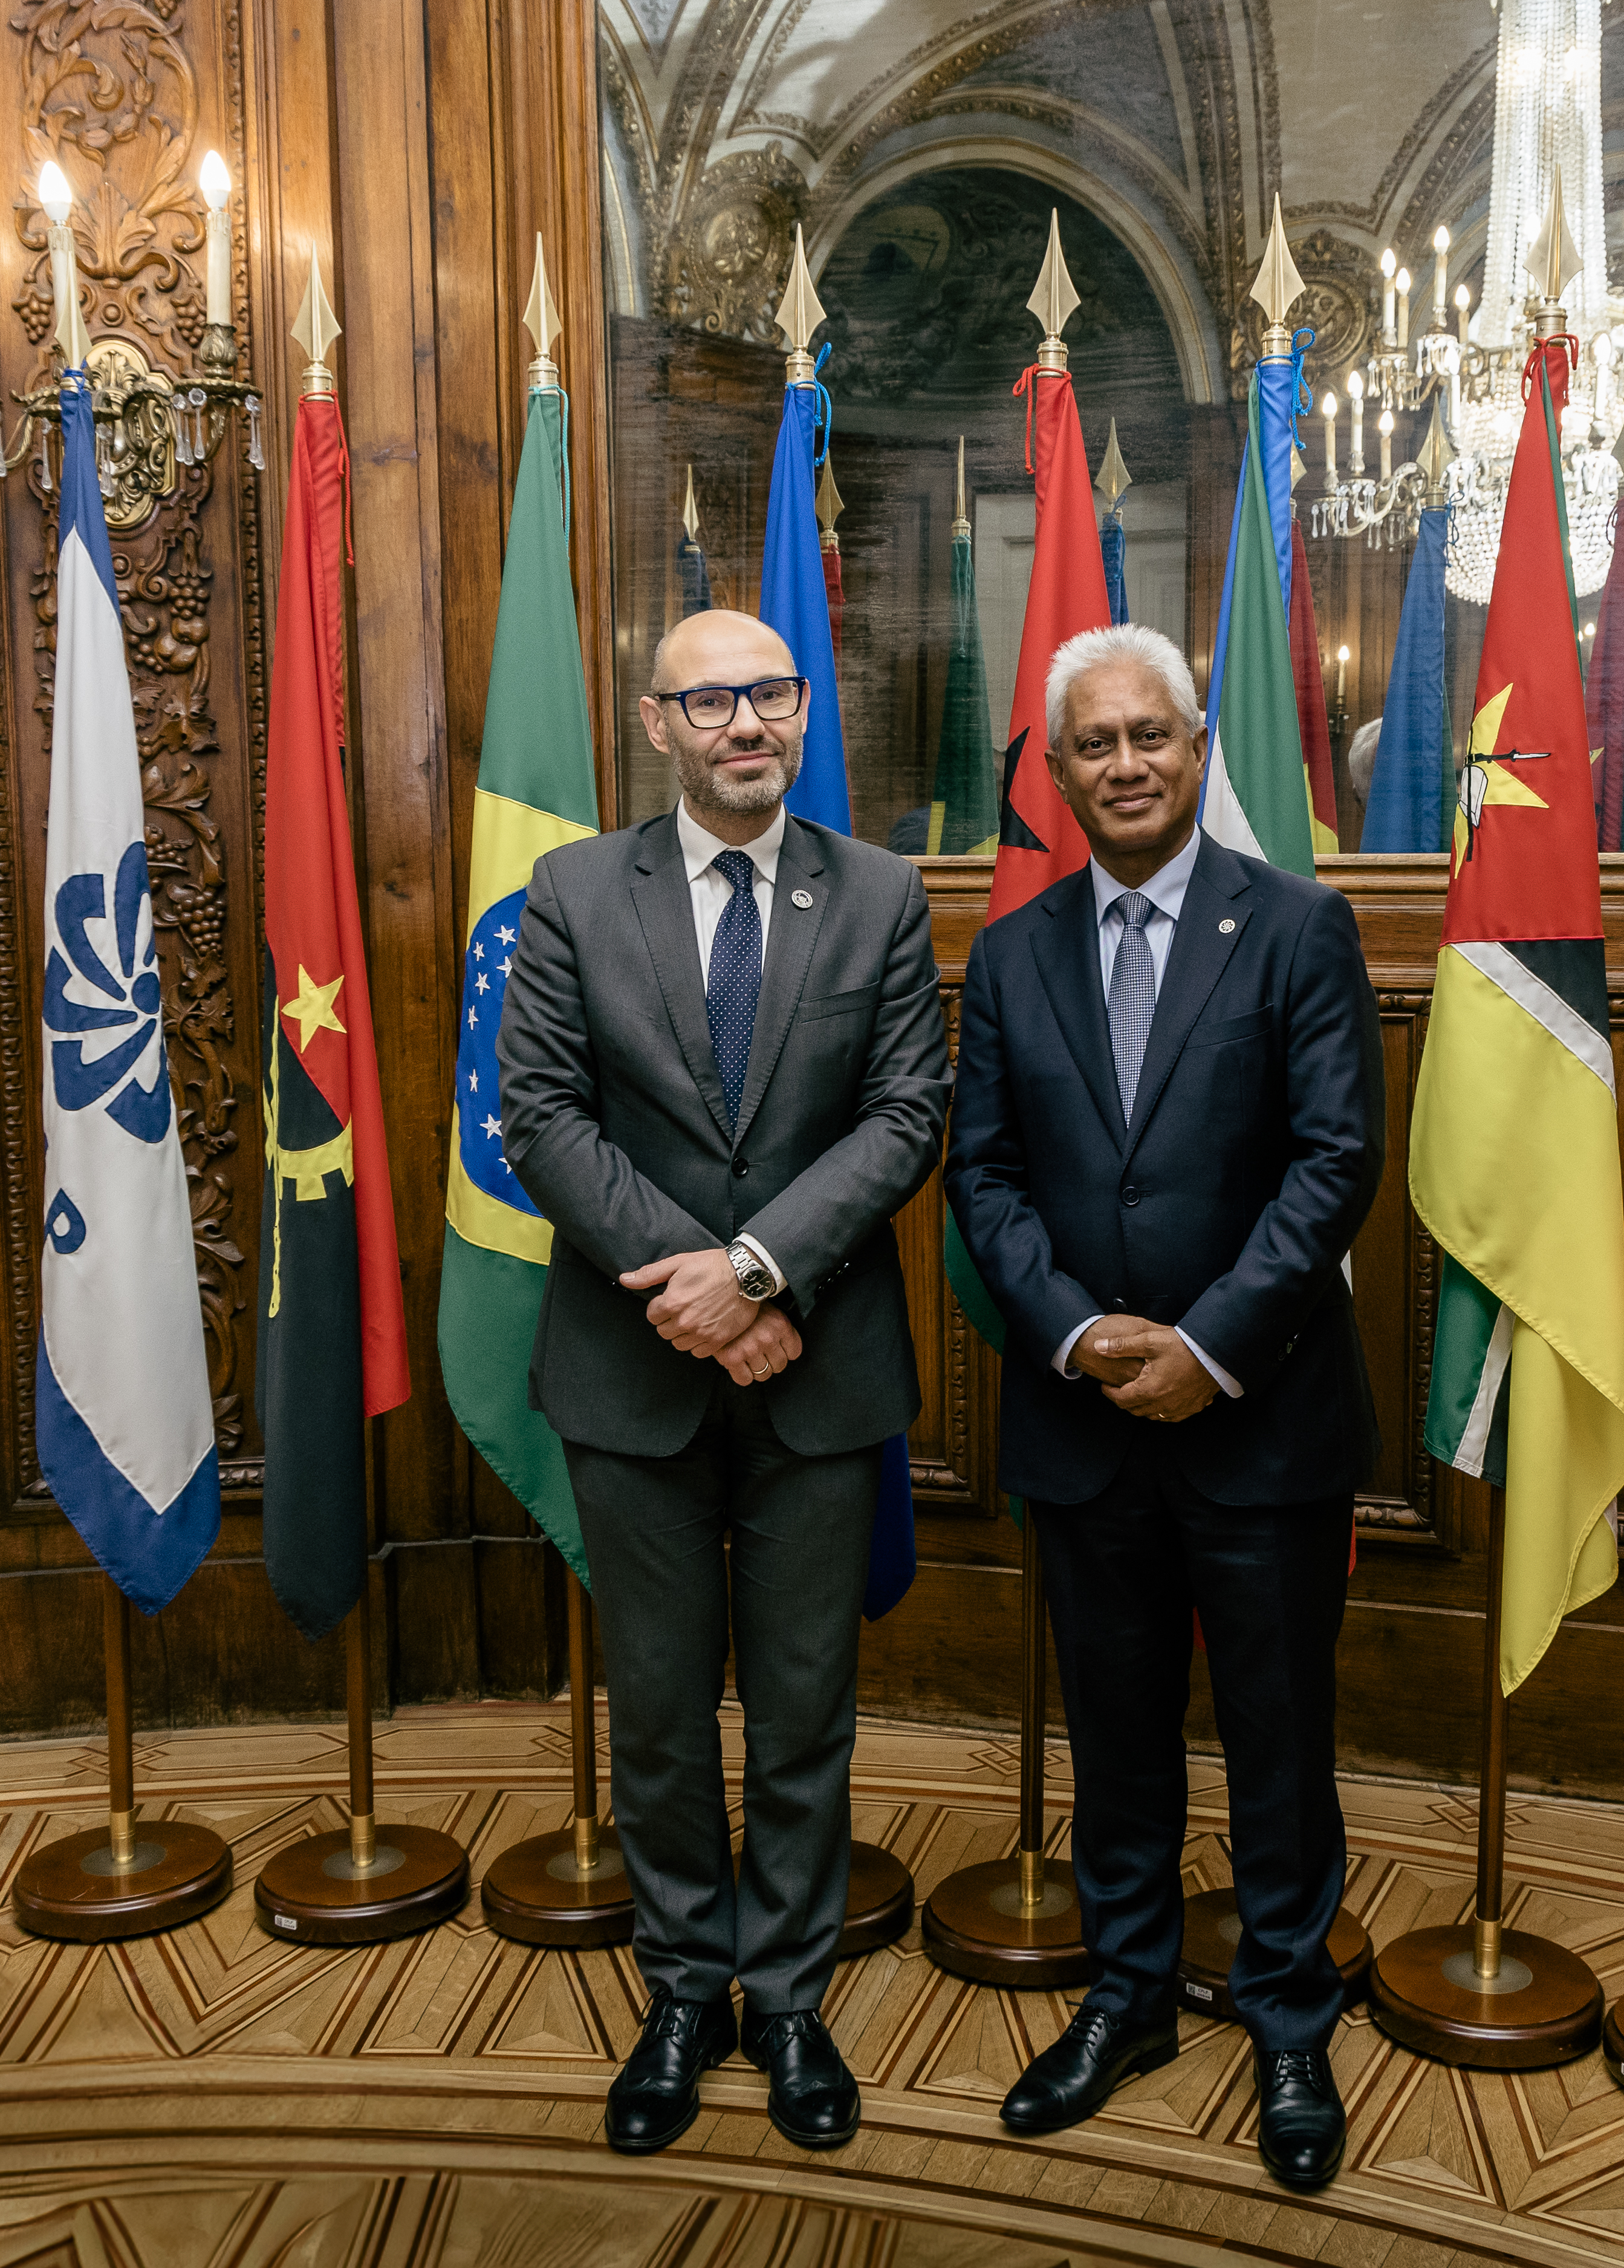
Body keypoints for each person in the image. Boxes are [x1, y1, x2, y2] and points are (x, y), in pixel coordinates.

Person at [496, 608, 950, 2158]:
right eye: (709, 700)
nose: (742, 721)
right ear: (654, 724)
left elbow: (904, 1117)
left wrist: (754, 1275)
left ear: (802, 711)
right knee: (669, 1715)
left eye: (766, 693)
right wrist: (701, 1297)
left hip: (821, 1372)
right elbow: (541, 1116)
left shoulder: (878, 893)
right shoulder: (568, 892)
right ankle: (684, 1986)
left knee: (809, 1708)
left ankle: (792, 1998)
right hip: (633, 1379)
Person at [943, 622, 1386, 2192]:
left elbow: (1336, 1164)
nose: (1125, 763)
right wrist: (1072, 1335)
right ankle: (1125, 1994)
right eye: (1094, 744)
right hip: (1080, 1424)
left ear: (1199, 750)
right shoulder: (1010, 952)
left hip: (1259, 1422)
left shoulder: (1298, 928)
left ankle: (1284, 2013)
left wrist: (1206, 1345)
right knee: (1116, 1742)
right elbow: (982, 1178)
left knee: (1277, 1742)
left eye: (1152, 735)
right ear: (1056, 774)